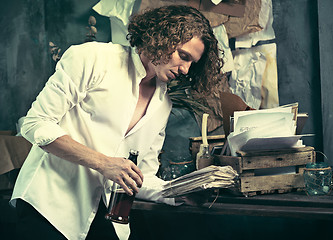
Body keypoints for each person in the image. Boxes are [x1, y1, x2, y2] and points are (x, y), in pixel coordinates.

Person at [10, 5, 223, 240]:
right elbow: (35, 123)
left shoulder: (163, 105)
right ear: (162, 37)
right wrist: (104, 163)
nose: (185, 69)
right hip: (49, 207)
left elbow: (142, 175)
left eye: (193, 63)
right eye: (183, 56)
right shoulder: (92, 58)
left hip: (106, 216)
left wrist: (176, 193)